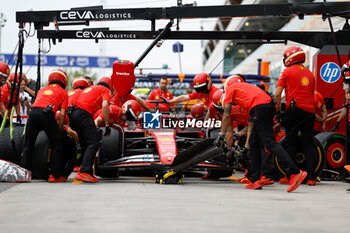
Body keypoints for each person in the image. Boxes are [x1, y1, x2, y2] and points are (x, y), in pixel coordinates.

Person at [219, 82, 307, 192]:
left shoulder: (229, 91)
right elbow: (251, 123)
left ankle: (295, 173)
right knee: (254, 143)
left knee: (269, 143)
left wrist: (221, 135)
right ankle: (255, 180)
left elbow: (226, 114)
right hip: (267, 105)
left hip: (260, 107)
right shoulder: (244, 90)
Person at [274, 46, 317, 186]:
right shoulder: (310, 74)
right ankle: (311, 178)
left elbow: (277, 94)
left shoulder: (286, 72)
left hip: (294, 110)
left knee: (290, 143)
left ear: (290, 57)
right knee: (308, 143)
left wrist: (277, 111)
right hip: (310, 112)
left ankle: (291, 176)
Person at [21, 69, 69, 183]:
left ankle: (23, 174)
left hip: (32, 114)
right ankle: (54, 176)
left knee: (28, 145)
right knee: (57, 144)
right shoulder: (63, 92)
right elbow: (62, 113)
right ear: (64, 81)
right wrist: (60, 129)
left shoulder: (42, 89)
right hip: (46, 114)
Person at [69, 76, 113, 183]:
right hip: (84, 114)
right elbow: (105, 106)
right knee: (94, 142)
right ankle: (84, 171)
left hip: (73, 114)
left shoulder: (90, 89)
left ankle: (83, 169)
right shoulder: (105, 90)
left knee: (85, 143)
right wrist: (107, 125)